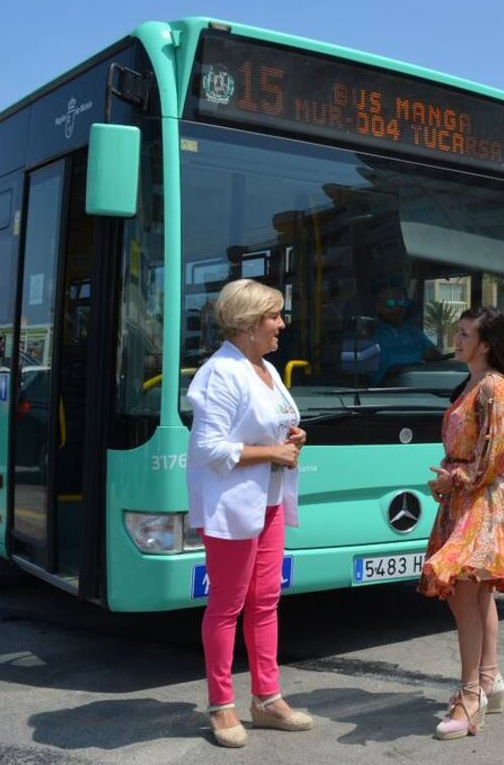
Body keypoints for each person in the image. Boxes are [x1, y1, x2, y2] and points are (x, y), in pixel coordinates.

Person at [186, 279, 312, 748]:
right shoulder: (220, 373)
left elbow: (273, 424)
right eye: (274, 316)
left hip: (269, 502)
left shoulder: (265, 368)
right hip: (232, 507)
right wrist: (271, 453)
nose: (282, 324)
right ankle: (222, 706)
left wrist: (291, 436)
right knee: (226, 607)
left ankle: (267, 698)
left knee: (265, 603)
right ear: (248, 322)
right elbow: (208, 448)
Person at [419, 307, 504, 740]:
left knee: (463, 594)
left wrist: (453, 479)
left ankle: (470, 695)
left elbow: (496, 456)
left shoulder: (494, 387)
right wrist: (449, 480)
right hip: (464, 500)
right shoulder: (472, 385)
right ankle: (489, 681)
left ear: (485, 344)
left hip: (481, 501)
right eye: (458, 333)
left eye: (465, 335)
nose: (457, 340)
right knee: (476, 597)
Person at [371, 284, 442, 384]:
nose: (398, 308)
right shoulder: (370, 332)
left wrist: (431, 355)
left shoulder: (413, 332)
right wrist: (420, 355)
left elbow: (433, 353)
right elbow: (384, 363)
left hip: (418, 389)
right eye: (391, 303)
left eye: (402, 303)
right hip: (379, 394)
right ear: (378, 306)